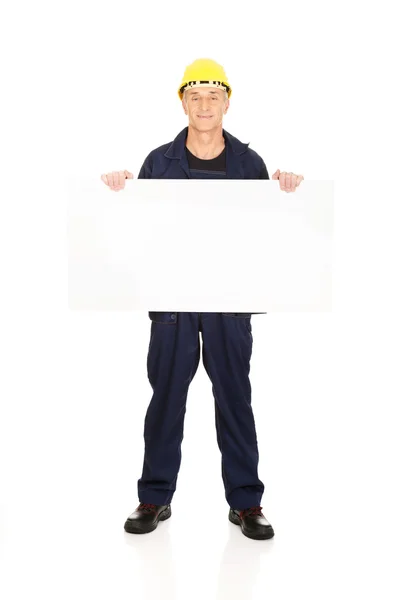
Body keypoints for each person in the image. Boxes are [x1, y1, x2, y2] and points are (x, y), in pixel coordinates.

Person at [101, 58, 304, 540]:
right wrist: (117, 191)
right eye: (196, 96)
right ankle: (154, 497)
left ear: (228, 102)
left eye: (214, 95)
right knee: (166, 399)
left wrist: (287, 192)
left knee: (235, 398)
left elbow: (269, 233)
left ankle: (247, 503)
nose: (205, 104)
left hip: (228, 303)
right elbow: (135, 233)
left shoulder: (249, 164)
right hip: (172, 303)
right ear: (183, 102)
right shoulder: (158, 161)